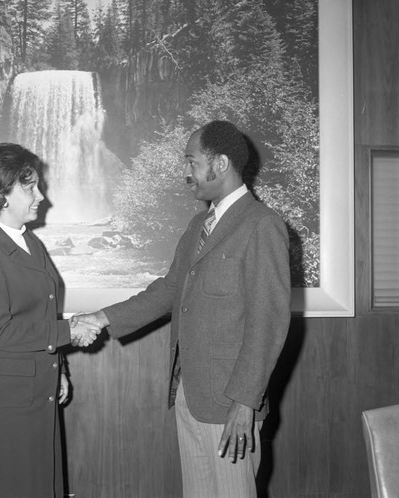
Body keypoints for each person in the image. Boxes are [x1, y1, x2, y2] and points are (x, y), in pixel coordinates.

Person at [72, 121, 291, 497]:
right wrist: (102, 318)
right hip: (189, 393)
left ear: (219, 163)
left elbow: (268, 323)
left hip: (230, 404)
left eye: (191, 161)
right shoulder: (198, 225)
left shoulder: (262, 225)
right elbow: (170, 290)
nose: (185, 172)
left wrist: (244, 404)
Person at [0, 143, 100, 498]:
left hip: (37, 388)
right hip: (7, 401)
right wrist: (70, 331)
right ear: (0, 194)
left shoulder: (29, 243)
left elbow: (42, 311)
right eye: (30, 187)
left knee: (41, 483)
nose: (41, 196)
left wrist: (61, 368)